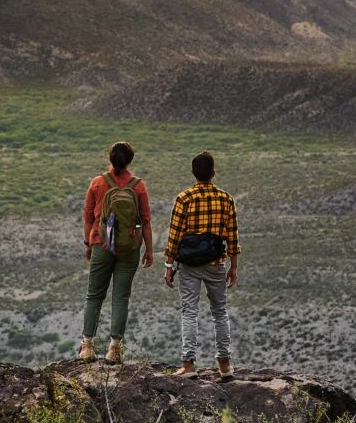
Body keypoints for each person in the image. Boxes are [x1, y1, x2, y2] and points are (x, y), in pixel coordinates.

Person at [163, 150, 239, 378]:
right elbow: (232, 236)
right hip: (216, 263)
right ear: (213, 173)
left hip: (189, 265)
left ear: (193, 173)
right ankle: (225, 364)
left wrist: (169, 265)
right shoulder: (226, 199)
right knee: (220, 312)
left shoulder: (184, 198)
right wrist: (233, 266)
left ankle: (188, 364)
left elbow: (175, 235)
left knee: (189, 312)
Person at [79, 140, 152, 364]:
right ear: (130, 160)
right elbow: (145, 221)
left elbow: (88, 216)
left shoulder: (98, 183)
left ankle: (87, 347)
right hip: (129, 247)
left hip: (102, 243)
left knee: (94, 296)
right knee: (121, 297)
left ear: (110, 158)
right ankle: (114, 349)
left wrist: (88, 243)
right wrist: (149, 250)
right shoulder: (138, 186)